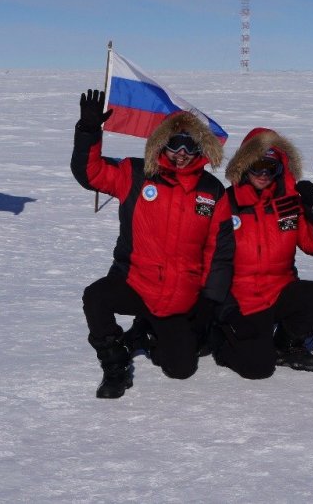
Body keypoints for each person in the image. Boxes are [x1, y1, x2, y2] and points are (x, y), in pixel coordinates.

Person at [70, 90, 234, 398]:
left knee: (180, 369)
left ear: (201, 147)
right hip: (136, 283)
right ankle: (115, 366)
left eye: (191, 145)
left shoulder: (212, 191)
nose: (182, 153)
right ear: (162, 143)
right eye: (175, 144)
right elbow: (89, 173)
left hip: (180, 296)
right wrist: (89, 131)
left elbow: (220, 252)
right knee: (96, 297)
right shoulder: (135, 173)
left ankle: (147, 331)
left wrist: (208, 301)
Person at [213, 128, 313, 379]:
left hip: (278, 291)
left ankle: (287, 345)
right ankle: (220, 341)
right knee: (259, 368)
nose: (263, 174)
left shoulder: (289, 202)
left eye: (270, 168)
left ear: (280, 169)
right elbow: (211, 263)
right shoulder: (226, 203)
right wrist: (226, 308)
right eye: (256, 166)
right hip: (242, 301)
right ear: (243, 165)